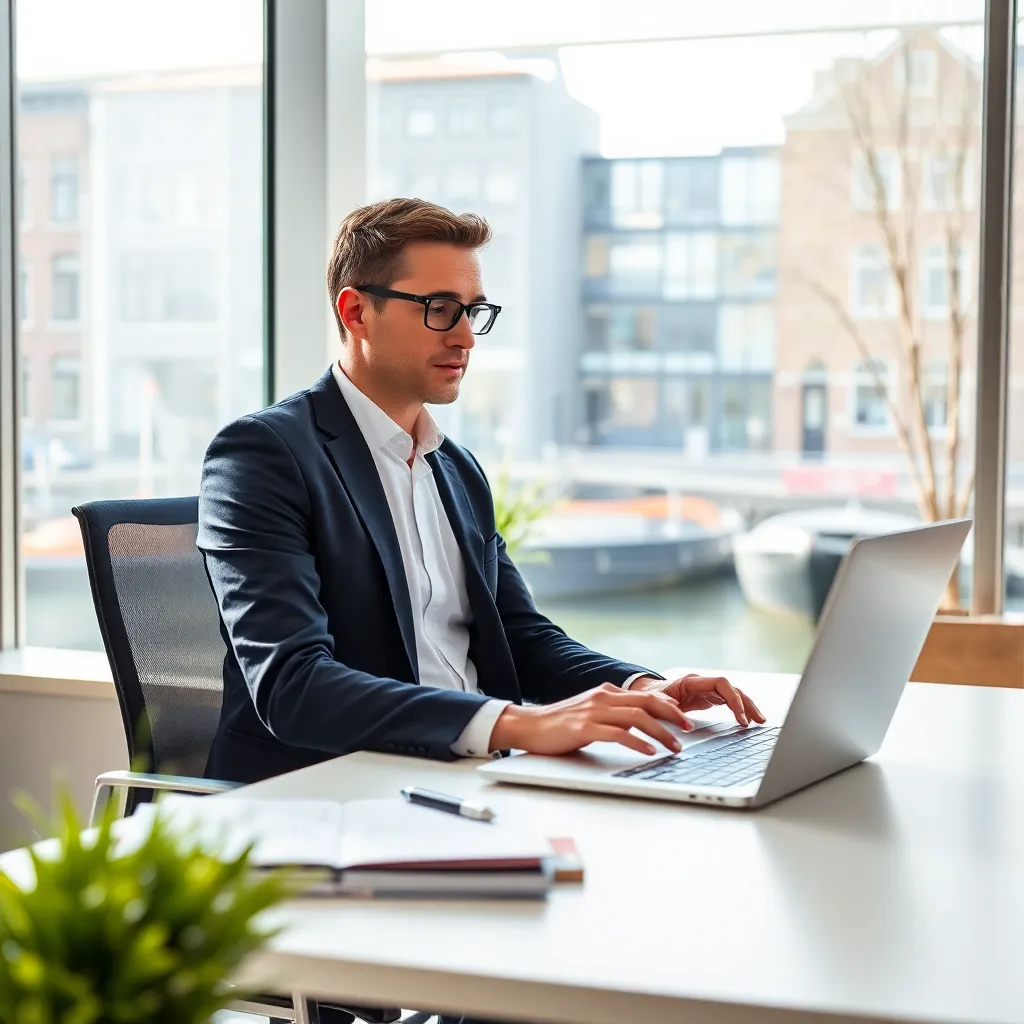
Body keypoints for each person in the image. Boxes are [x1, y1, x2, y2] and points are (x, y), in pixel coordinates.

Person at [198, 198, 765, 1024]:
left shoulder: (455, 469)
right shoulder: (264, 457)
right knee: (571, 966)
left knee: (661, 913)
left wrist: (649, 685)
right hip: (330, 813)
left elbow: (524, 638)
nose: (465, 334)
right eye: (440, 309)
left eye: (474, 311)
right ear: (355, 310)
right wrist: (511, 723)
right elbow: (292, 685)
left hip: (462, 792)